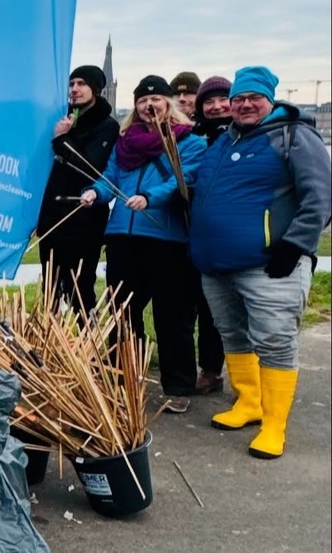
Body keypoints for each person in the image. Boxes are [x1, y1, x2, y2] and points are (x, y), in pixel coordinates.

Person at [189, 66, 331, 459]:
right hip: (217, 265)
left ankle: (274, 425)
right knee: (233, 335)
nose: (245, 105)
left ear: (270, 100)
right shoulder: (223, 141)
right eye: (239, 99)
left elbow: (320, 197)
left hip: (271, 265)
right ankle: (249, 402)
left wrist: (295, 245)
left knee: (274, 341)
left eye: (254, 98)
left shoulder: (293, 136)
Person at [80, 75, 206, 413]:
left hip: (167, 239)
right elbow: (109, 179)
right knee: (122, 314)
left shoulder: (190, 141)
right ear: (135, 106)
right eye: (142, 101)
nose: (149, 105)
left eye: (156, 100)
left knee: (172, 316)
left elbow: (183, 180)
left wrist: (150, 197)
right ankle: (122, 378)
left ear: (168, 103)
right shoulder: (125, 143)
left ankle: (178, 386)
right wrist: (94, 193)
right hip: (123, 236)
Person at [37, 65, 120, 314]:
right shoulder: (62, 119)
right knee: (50, 289)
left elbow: (88, 168)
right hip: (52, 216)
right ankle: (48, 336)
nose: (74, 89)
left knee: (80, 290)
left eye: (81, 84)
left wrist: (61, 140)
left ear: (96, 89)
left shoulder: (107, 126)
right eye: (71, 84)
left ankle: (86, 336)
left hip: (84, 219)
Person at [189, 75, 234, 394]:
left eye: (223, 99)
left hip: (232, 235)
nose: (216, 106)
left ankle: (218, 371)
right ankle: (209, 369)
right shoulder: (194, 136)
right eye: (209, 101)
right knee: (202, 304)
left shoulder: (246, 134)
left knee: (224, 311)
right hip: (196, 231)